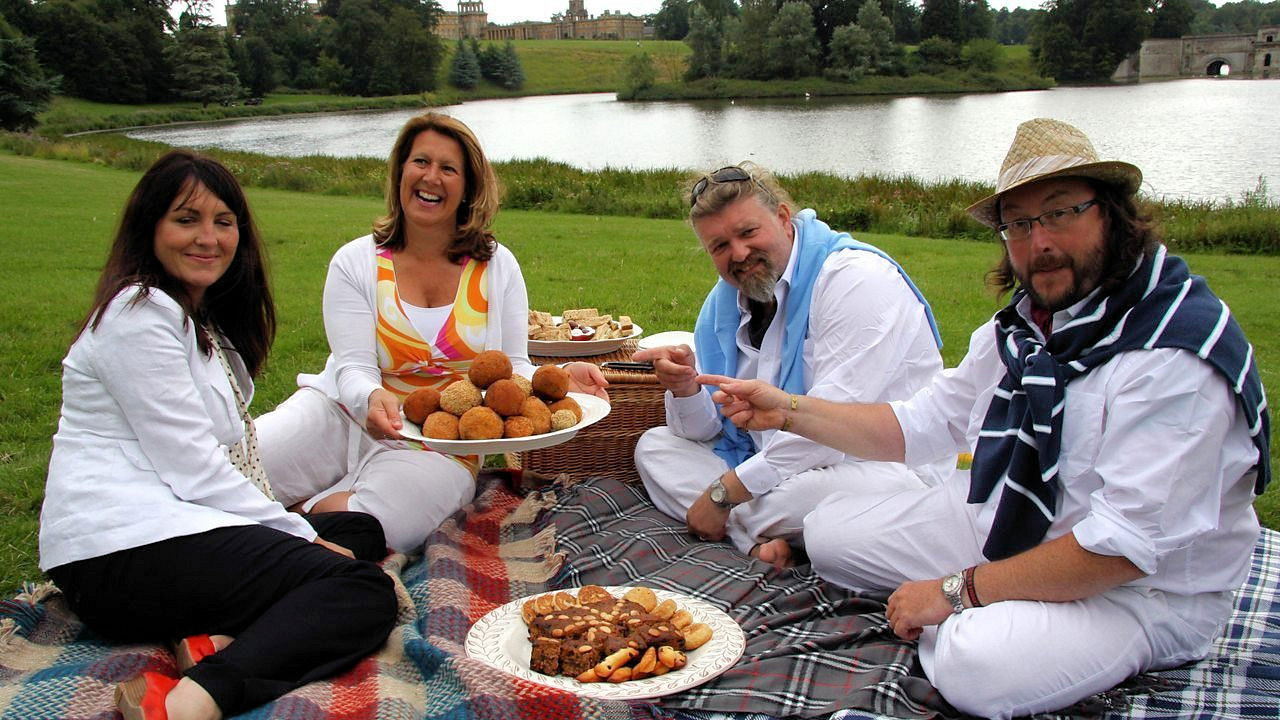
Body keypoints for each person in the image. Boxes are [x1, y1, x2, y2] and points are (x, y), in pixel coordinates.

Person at [703, 118, 1270, 719]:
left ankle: (986, 620)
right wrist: (787, 409)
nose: (1039, 241)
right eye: (1019, 224)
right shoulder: (1024, 328)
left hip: (1140, 591)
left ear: (1112, 215)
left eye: (1060, 212)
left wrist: (955, 591)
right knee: (830, 538)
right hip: (1004, 523)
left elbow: (1121, 549)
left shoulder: (1172, 358)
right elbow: (918, 426)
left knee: (977, 667)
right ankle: (997, 604)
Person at [38, 151, 399, 720]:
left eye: (223, 221)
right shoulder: (138, 314)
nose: (208, 238)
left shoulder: (191, 318)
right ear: (150, 228)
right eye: (187, 219)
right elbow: (195, 469)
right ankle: (191, 700)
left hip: (169, 527)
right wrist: (299, 541)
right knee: (363, 591)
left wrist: (294, 535)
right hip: (120, 552)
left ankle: (208, 638)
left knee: (358, 529)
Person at [256, 112, 607, 553]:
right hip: (342, 413)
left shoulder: (498, 267)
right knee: (241, 463)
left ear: (468, 187)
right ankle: (291, 519)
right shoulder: (355, 262)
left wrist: (553, 383)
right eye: (421, 161)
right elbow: (354, 367)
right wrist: (370, 399)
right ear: (401, 170)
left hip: (445, 442)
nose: (431, 177)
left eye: (448, 168)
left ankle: (299, 520)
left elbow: (512, 366)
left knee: (387, 528)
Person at [632, 162, 947, 568]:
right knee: (654, 447)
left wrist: (724, 492)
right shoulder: (725, 303)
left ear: (783, 218)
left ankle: (737, 524)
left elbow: (828, 430)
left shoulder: (857, 281)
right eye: (720, 246)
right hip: (767, 466)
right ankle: (760, 542)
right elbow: (704, 431)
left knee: (804, 498)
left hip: (876, 467)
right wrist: (686, 388)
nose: (739, 254)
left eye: (747, 233)